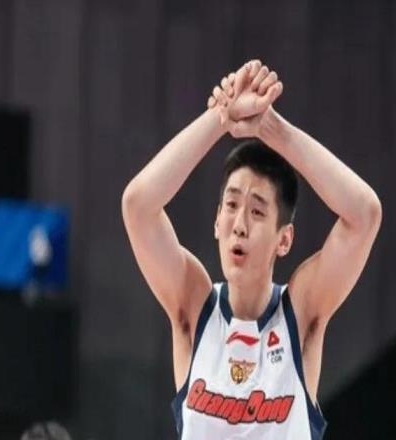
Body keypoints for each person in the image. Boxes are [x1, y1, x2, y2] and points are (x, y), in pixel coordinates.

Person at [121, 60, 381, 439]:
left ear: (284, 239)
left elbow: (365, 214)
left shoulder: (300, 312)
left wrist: (271, 129)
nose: (239, 224)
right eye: (231, 205)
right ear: (216, 221)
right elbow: (137, 206)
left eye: (257, 211)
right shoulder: (195, 306)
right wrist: (221, 117)